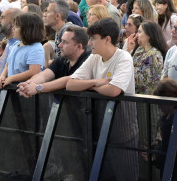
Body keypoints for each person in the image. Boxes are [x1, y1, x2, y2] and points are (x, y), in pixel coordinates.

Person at [66, 17, 138, 180]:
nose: (90, 43)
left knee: (126, 176)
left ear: (107, 39)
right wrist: (96, 83)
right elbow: (71, 84)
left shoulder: (124, 58)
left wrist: (88, 85)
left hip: (122, 131)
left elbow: (114, 90)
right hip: (98, 129)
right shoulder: (94, 57)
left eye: (93, 39)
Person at [17, 25, 91, 97]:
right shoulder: (62, 58)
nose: (60, 45)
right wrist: (28, 85)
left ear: (78, 46)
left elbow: (69, 80)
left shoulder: (88, 60)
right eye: (61, 41)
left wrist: (38, 88)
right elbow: (44, 75)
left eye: (65, 42)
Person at [0, 13, 45, 88]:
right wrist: (2, 76)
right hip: (12, 88)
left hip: (26, 90)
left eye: (17, 26)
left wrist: (12, 78)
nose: (13, 28)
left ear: (27, 29)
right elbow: (8, 63)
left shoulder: (36, 48)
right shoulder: (16, 44)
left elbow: (33, 72)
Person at [125, 21, 167, 94]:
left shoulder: (154, 55)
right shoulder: (140, 49)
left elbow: (141, 80)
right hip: (133, 94)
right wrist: (128, 50)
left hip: (145, 99)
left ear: (148, 35)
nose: (137, 35)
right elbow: (126, 66)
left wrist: (125, 73)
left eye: (140, 32)